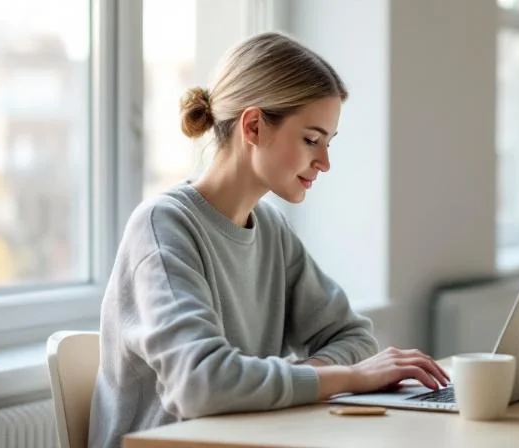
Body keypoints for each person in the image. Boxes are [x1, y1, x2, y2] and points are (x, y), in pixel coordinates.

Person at [88, 31, 450, 448]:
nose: (325, 162)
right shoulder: (162, 225)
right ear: (254, 126)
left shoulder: (271, 230)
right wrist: (347, 377)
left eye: (328, 143)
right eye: (312, 140)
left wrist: (297, 380)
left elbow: (354, 337)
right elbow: (200, 383)